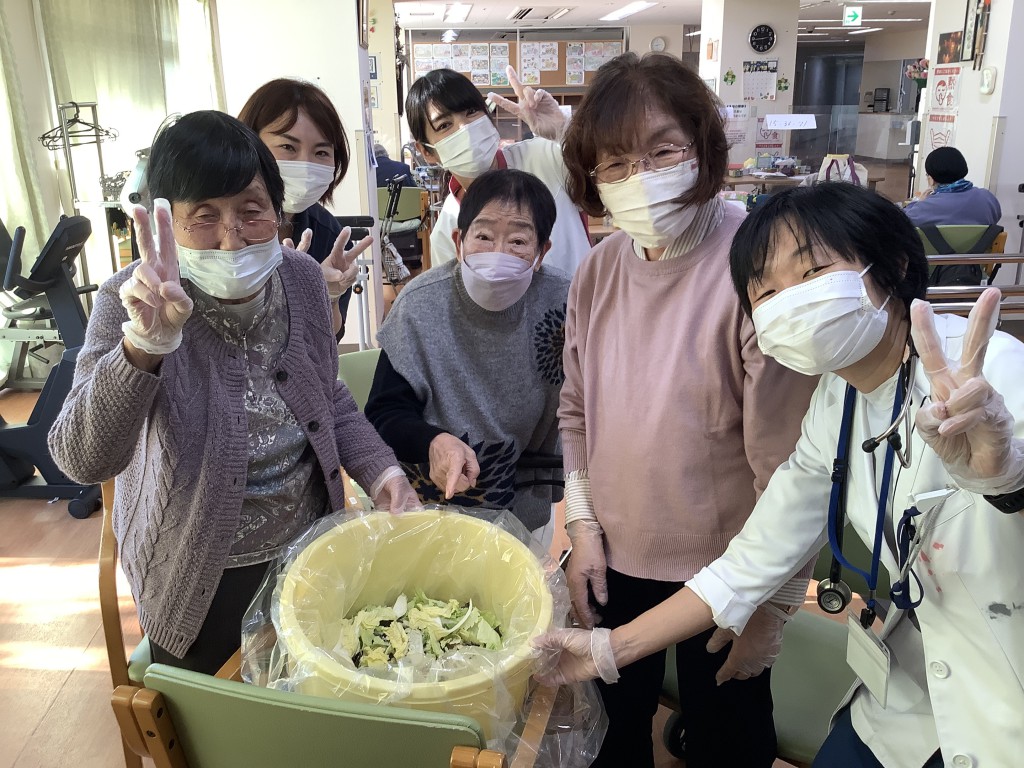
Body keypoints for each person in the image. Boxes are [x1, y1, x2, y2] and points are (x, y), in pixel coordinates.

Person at [537, 183, 1024, 768]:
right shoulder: (836, 403)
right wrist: (606, 650)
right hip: (914, 684)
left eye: (813, 271)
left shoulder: (992, 375)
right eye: (766, 291)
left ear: (892, 266)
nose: (791, 300)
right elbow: (751, 562)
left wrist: (1009, 483)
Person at [47, 111, 419, 675]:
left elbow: (329, 398)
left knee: (319, 694)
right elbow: (83, 460)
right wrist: (142, 348)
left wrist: (383, 472)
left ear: (278, 211)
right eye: (203, 216)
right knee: (226, 716)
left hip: (311, 548)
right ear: (166, 222)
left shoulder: (301, 279)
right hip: (194, 568)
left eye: (251, 210)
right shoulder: (129, 299)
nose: (231, 236)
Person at [553, 52, 818, 768]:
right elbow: (576, 411)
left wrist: (774, 605)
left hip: (730, 569)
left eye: (663, 151)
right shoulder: (599, 270)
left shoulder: (758, 264)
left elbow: (792, 468)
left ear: (702, 147)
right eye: (614, 164)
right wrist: (582, 524)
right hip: (612, 556)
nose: (639, 178)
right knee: (611, 739)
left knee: (729, 740)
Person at [364, 168, 569, 540]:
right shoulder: (420, 305)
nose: (498, 254)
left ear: (542, 252)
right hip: (430, 501)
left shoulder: (564, 303)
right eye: (484, 236)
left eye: (518, 241)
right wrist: (433, 442)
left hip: (525, 494)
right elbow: (384, 412)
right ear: (459, 242)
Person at [406, 67, 591, 275]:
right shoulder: (447, 230)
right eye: (444, 125)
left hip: (584, 294)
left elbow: (604, 177)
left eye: (471, 112)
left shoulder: (546, 156)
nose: (465, 128)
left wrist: (565, 131)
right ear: (426, 151)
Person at [238, 78, 367, 337]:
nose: (306, 165)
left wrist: (328, 297)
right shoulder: (219, 229)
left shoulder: (327, 234)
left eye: (321, 152)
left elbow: (329, 341)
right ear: (249, 144)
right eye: (288, 147)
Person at [903, 146, 1001, 228]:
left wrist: (918, 202)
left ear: (931, 179)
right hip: (980, 246)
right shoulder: (988, 198)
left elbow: (900, 222)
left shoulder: (924, 208)